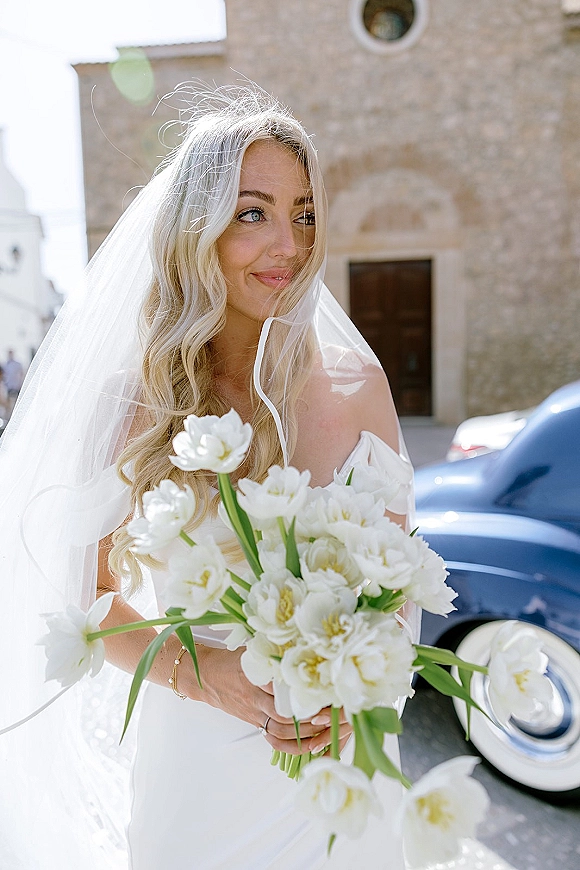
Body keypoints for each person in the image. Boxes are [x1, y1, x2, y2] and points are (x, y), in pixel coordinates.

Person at [0, 85, 417, 869]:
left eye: (303, 213)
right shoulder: (133, 402)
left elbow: (402, 578)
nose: (289, 244)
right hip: (201, 775)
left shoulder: (360, 386)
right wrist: (206, 676)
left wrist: (353, 678)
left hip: (343, 771)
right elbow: (90, 603)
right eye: (253, 212)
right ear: (197, 229)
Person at [3, 348, 24, 418]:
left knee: (19, 401)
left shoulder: (17, 364)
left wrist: (20, 383)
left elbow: (21, 374)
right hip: (9, 386)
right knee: (8, 403)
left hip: (17, 385)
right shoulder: (6, 364)